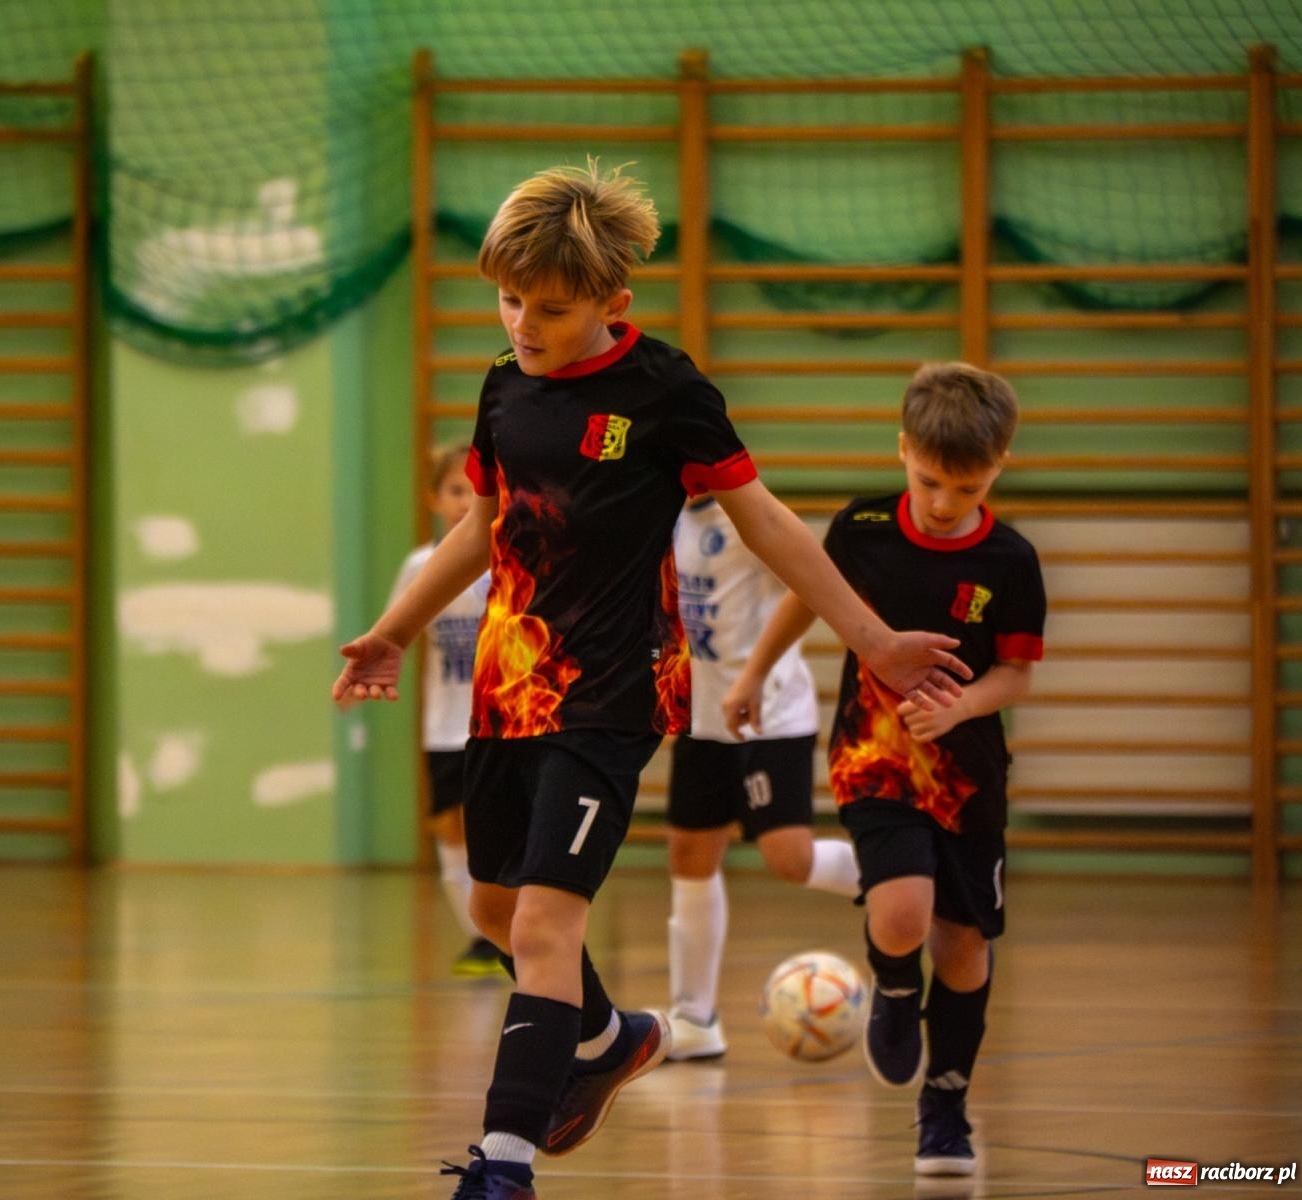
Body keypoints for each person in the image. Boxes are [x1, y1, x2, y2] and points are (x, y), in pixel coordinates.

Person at [332, 160, 972, 1200]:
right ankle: (605, 1036)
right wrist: (392, 631)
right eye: (508, 300)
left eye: (550, 308)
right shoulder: (505, 386)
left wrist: (873, 638)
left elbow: (766, 523)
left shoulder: (665, 391)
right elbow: (483, 528)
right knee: (496, 910)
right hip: (508, 687)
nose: (524, 323)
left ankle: (502, 1166)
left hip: (616, 693)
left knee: (543, 925)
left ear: (611, 304)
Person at [721, 361, 1045, 1178]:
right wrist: (755, 672)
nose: (943, 503)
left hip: (969, 774)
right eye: (930, 480)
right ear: (902, 449)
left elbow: (1015, 675)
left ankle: (944, 1106)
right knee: (903, 916)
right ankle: (894, 989)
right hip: (875, 758)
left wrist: (961, 710)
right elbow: (807, 596)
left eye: (965, 488)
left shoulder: (1011, 561)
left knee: (964, 951)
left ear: (998, 467)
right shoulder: (862, 526)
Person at [659, 495, 859, 1061]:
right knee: (690, 853)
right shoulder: (663, 515)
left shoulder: (749, 514)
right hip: (701, 716)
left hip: (767, 715)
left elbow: (812, 583)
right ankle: (695, 1016)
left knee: (787, 858)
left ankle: (900, 880)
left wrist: (753, 670)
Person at [389, 443, 501, 977]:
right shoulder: (420, 565)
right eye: (455, 490)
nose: (465, 501)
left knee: (495, 829)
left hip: (501, 724)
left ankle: (505, 925)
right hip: (444, 726)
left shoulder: (510, 557)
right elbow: (396, 630)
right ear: (434, 499)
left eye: (476, 491)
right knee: (448, 828)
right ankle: (480, 938)